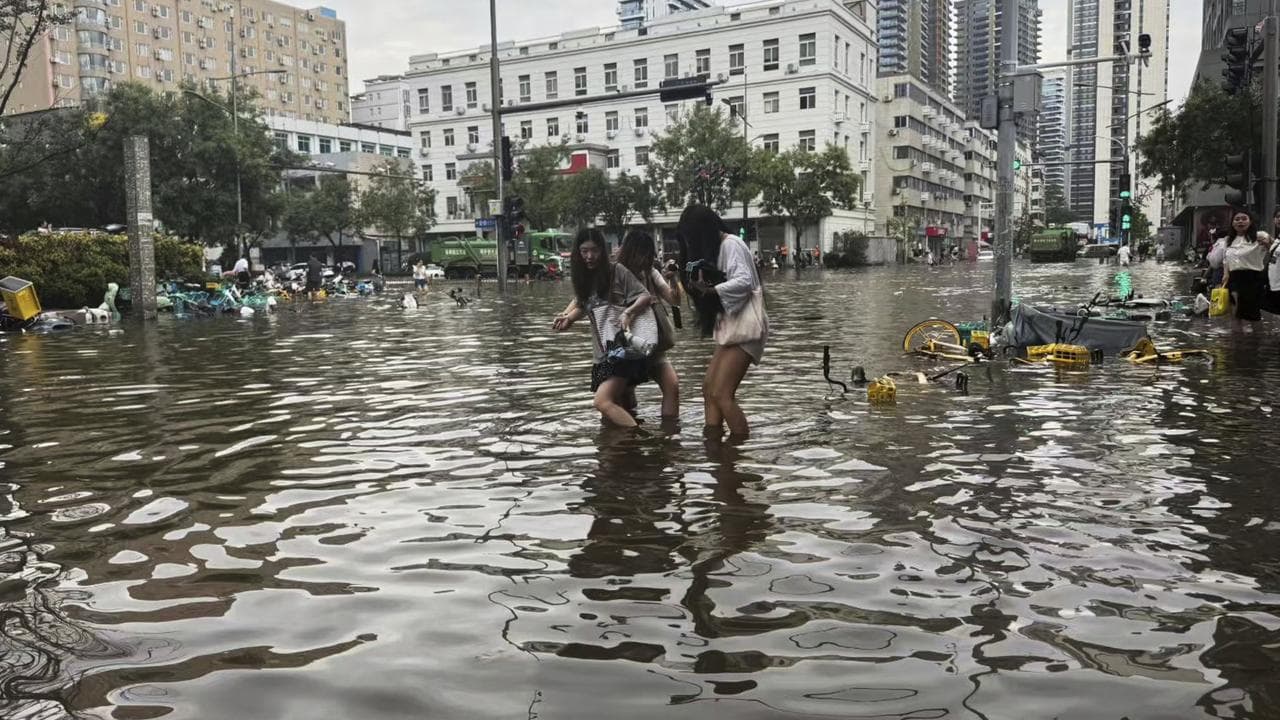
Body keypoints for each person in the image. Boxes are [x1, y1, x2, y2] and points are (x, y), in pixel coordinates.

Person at [678, 205, 768, 439]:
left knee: (722, 393)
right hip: (732, 326)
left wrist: (711, 291)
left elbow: (744, 282)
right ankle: (714, 443)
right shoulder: (716, 250)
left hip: (746, 326)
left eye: (691, 238)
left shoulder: (731, 244)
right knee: (709, 389)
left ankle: (738, 445)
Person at [553, 228, 653, 428]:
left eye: (594, 250)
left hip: (622, 351)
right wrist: (569, 318)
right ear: (578, 253)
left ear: (602, 251)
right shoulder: (584, 278)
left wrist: (628, 313)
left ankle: (640, 437)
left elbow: (644, 296)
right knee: (613, 411)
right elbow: (585, 305)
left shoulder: (617, 271)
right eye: (584, 251)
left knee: (602, 402)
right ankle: (626, 445)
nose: (589, 256)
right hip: (602, 353)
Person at [617, 229, 680, 419]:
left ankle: (670, 431)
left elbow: (673, 300)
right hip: (625, 346)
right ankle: (629, 431)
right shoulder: (615, 273)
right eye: (640, 254)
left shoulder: (651, 273)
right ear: (629, 252)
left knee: (672, 386)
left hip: (652, 344)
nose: (644, 259)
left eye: (647, 254)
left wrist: (673, 279)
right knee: (624, 397)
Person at [1220, 210, 1273, 331]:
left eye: (1244, 219)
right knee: (1235, 312)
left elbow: (1276, 250)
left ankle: (1257, 338)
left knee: (1253, 314)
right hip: (1233, 278)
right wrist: (1225, 274)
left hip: (1252, 278)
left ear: (1250, 221)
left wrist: (1267, 244)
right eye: (1237, 219)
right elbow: (1225, 259)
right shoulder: (1228, 240)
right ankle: (1237, 338)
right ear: (1232, 223)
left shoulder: (1260, 235)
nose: (1240, 221)